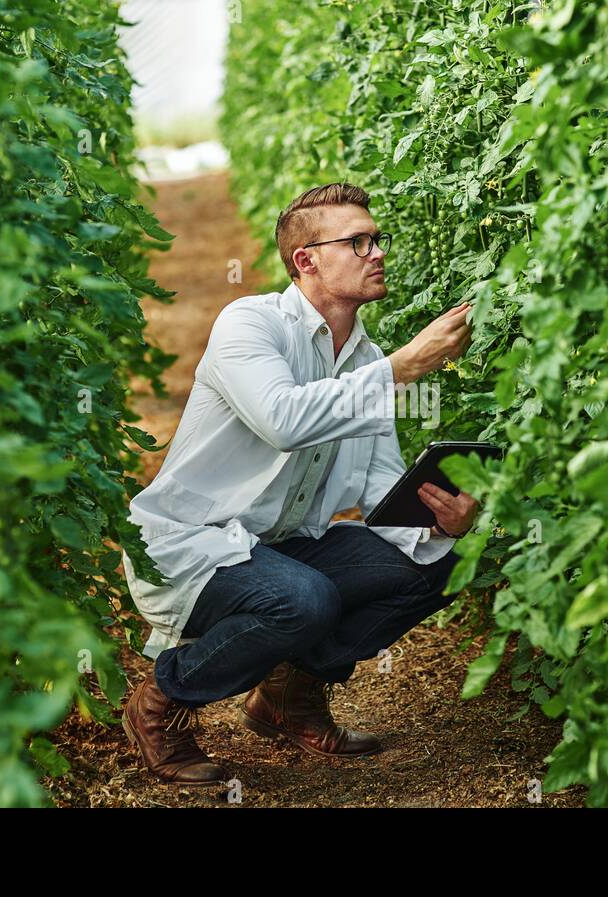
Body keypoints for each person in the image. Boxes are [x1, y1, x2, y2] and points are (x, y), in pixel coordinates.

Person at [119, 182, 480, 785]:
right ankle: (162, 702)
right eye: (357, 241)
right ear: (304, 260)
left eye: (376, 239)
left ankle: (289, 697)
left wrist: (442, 519)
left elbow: (380, 485)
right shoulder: (249, 324)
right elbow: (283, 420)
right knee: (303, 599)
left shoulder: (367, 360)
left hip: (284, 547)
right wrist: (406, 367)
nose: (376, 252)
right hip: (195, 546)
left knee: (438, 565)